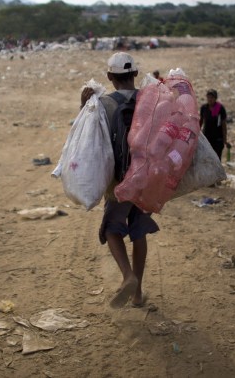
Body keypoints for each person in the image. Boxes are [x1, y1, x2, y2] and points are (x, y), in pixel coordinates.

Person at [80, 52, 159, 309]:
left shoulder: (103, 103)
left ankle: (128, 277)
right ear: (135, 74)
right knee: (138, 228)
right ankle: (137, 295)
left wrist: (84, 106)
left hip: (119, 179)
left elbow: (90, 137)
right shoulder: (151, 99)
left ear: (109, 77)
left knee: (112, 228)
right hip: (146, 177)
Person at [199, 89, 229, 160]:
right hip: (207, 136)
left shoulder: (219, 108)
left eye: (212, 97)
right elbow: (201, 121)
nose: (210, 99)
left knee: (217, 158)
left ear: (215, 98)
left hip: (217, 138)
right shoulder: (204, 108)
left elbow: (223, 124)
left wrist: (224, 139)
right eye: (208, 97)